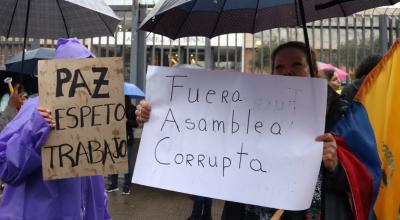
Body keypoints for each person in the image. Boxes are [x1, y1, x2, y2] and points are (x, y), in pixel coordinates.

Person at [135, 41, 360, 219]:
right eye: (279, 67)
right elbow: (204, 133)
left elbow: (363, 180)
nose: (287, 72)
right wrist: (154, 118)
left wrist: (336, 166)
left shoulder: (339, 115)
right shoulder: (250, 108)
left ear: (312, 70)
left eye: (296, 65)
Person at [0, 38, 112, 220]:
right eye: (79, 69)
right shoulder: (34, 109)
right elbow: (5, 169)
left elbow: (96, 188)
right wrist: (33, 131)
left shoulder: (93, 116)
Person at [107, 96, 138, 195]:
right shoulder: (113, 108)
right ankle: (114, 184)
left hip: (127, 139)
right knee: (114, 161)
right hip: (115, 139)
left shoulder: (132, 108)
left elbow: (136, 124)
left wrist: (127, 121)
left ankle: (127, 185)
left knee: (126, 163)